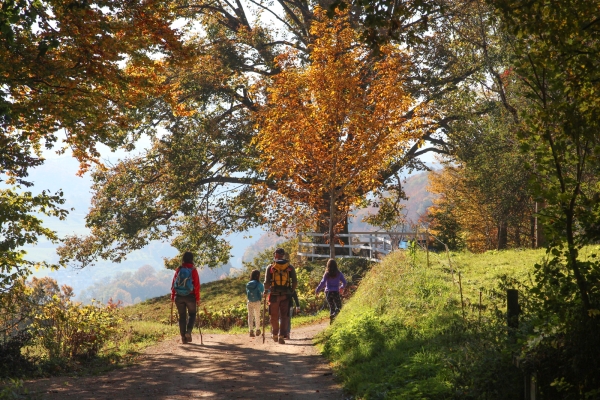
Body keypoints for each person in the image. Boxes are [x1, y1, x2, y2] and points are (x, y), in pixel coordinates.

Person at [264, 248, 297, 344]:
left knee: (274, 316)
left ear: (275, 255)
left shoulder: (270, 267)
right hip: (286, 295)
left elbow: (266, 283)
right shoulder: (289, 267)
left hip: (274, 295)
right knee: (284, 316)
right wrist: (291, 290)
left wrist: (266, 291)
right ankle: (281, 336)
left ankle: (274, 333)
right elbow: (294, 282)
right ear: (283, 255)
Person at [171, 251, 200, 344]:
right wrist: (198, 298)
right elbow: (197, 285)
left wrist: (172, 296)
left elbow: (173, 283)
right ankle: (188, 332)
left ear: (183, 259)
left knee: (182, 317)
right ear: (192, 259)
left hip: (178, 296)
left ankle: (183, 337)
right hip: (190, 296)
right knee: (192, 314)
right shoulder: (193, 270)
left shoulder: (179, 269)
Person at [315, 258, 347, 324]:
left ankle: (331, 322)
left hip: (328, 293)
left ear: (328, 265)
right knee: (339, 307)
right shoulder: (339, 273)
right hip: (335, 292)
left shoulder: (327, 274)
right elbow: (344, 282)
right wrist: (341, 287)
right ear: (336, 265)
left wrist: (317, 290)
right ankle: (334, 315)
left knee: (331, 307)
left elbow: (322, 282)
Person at [246, 269, 264, 338]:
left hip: (249, 301)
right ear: (257, 276)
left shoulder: (248, 284)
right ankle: (257, 330)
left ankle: (251, 331)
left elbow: (247, 292)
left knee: (250, 316)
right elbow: (263, 291)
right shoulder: (259, 284)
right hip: (257, 301)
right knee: (257, 315)